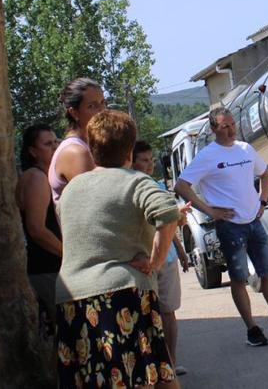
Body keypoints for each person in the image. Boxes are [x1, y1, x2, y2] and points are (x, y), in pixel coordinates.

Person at [54, 110, 181, 388]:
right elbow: (168, 214)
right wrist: (155, 262)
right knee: (147, 376)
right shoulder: (135, 181)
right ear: (130, 150)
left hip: (71, 298)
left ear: (93, 147)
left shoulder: (71, 190)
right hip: (123, 294)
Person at [173, 108, 268, 347]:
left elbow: (266, 175)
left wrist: (262, 201)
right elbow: (182, 186)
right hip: (230, 226)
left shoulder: (245, 149)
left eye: (232, 125)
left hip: (254, 222)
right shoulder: (207, 155)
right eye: (224, 126)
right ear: (214, 129)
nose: (230, 130)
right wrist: (210, 211)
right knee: (240, 279)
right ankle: (252, 329)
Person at [133, 140, 191, 376]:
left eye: (151, 160)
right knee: (146, 315)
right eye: (144, 160)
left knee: (168, 312)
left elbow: (169, 222)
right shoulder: (131, 189)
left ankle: (171, 362)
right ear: (132, 160)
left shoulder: (156, 185)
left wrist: (181, 250)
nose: (149, 165)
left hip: (167, 260)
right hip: (143, 263)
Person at [17, 123, 63, 337]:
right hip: (49, 267)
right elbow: (36, 229)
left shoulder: (43, 175)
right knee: (68, 334)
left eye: (56, 142)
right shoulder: (36, 178)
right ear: (33, 151)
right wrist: (69, 255)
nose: (55, 147)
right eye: (47, 144)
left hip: (49, 266)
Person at [49, 78, 105, 201]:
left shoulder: (89, 146)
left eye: (102, 102)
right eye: (91, 106)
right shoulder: (76, 152)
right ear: (74, 113)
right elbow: (96, 203)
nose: (101, 111)